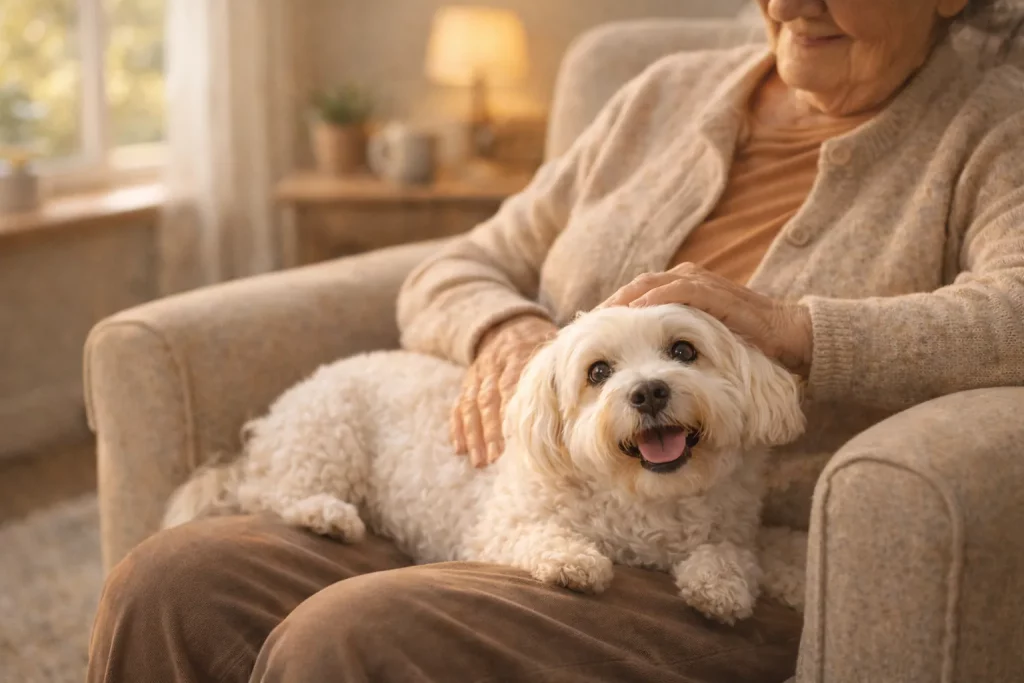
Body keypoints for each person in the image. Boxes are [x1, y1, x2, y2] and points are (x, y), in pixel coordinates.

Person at [88, 1, 1024, 681]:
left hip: (717, 566)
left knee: (345, 637)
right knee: (170, 581)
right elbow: (461, 263)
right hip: (510, 507)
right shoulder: (666, 93)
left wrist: (793, 328)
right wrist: (509, 332)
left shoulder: (992, 125)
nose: (786, 5)